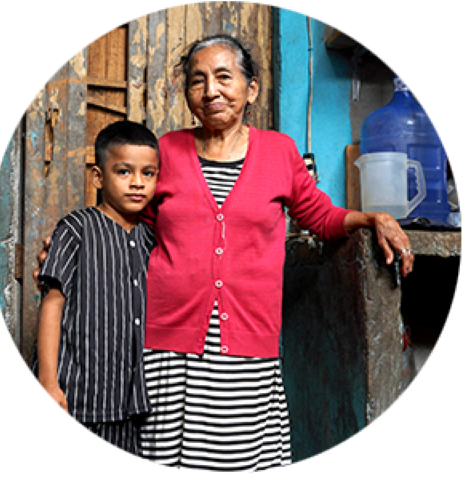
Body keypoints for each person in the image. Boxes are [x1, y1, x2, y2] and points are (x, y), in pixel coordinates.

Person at [35, 35, 414, 472]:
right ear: (188, 94)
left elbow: (320, 216)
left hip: (246, 345)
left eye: (223, 77)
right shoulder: (167, 151)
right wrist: (72, 243)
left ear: (251, 88)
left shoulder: (279, 152)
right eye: (197, 81)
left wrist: (372, 219)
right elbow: (133, 219)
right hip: (167, 347)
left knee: (234, 460)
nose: (210, 90)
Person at [29, 120, 159, 457]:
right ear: (98, 177)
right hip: (76, 399)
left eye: (148, 174)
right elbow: (52, 303)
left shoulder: (152, 240)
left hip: (129, 409)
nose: (137, 183)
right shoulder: (76, 229)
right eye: (124, 172)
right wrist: (48, 382)